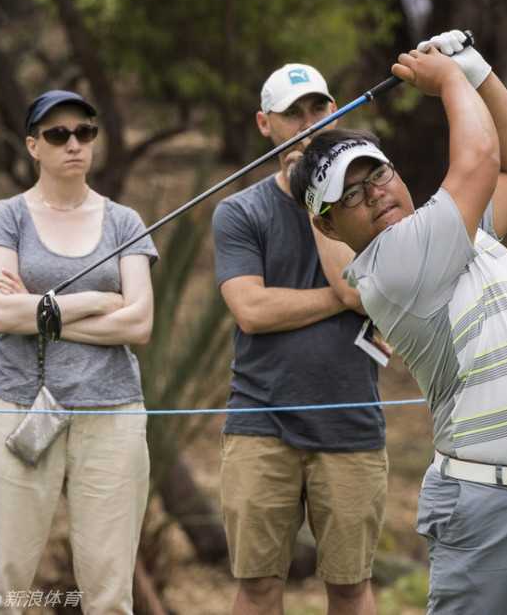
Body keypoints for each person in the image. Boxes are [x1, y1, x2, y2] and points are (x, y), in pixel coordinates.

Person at [291, 32, 507, 614]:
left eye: (376, 174)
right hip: (492, 507)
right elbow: (480, 161)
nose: (373, 194)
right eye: (349, 195)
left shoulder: (455, 231)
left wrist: (478, 71)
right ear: (326, 226)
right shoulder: (392, 265)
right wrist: (448, 80)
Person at [0, 90, 158, 614]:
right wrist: (97, 301)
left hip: (112, 412)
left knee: (108, 591)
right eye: (57, 134)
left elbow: (139, 322)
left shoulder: (124, 222)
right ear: (33, 145)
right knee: (0, 589)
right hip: (17, 405)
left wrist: (44, 314)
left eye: (84, 132)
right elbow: (1, 315)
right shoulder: (7, 218)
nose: (73, 143)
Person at [212, 64, 387, 615]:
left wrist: (320, 198)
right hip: (261, 421)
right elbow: (251, 310)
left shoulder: (370, 200)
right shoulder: (239, 211)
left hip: (351, 420)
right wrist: (343, 299)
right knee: (259, 585)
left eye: (320, 109)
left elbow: (363, 291)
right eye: (295, 114)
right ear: (266, 125)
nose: (311, 124)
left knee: (350, 587)